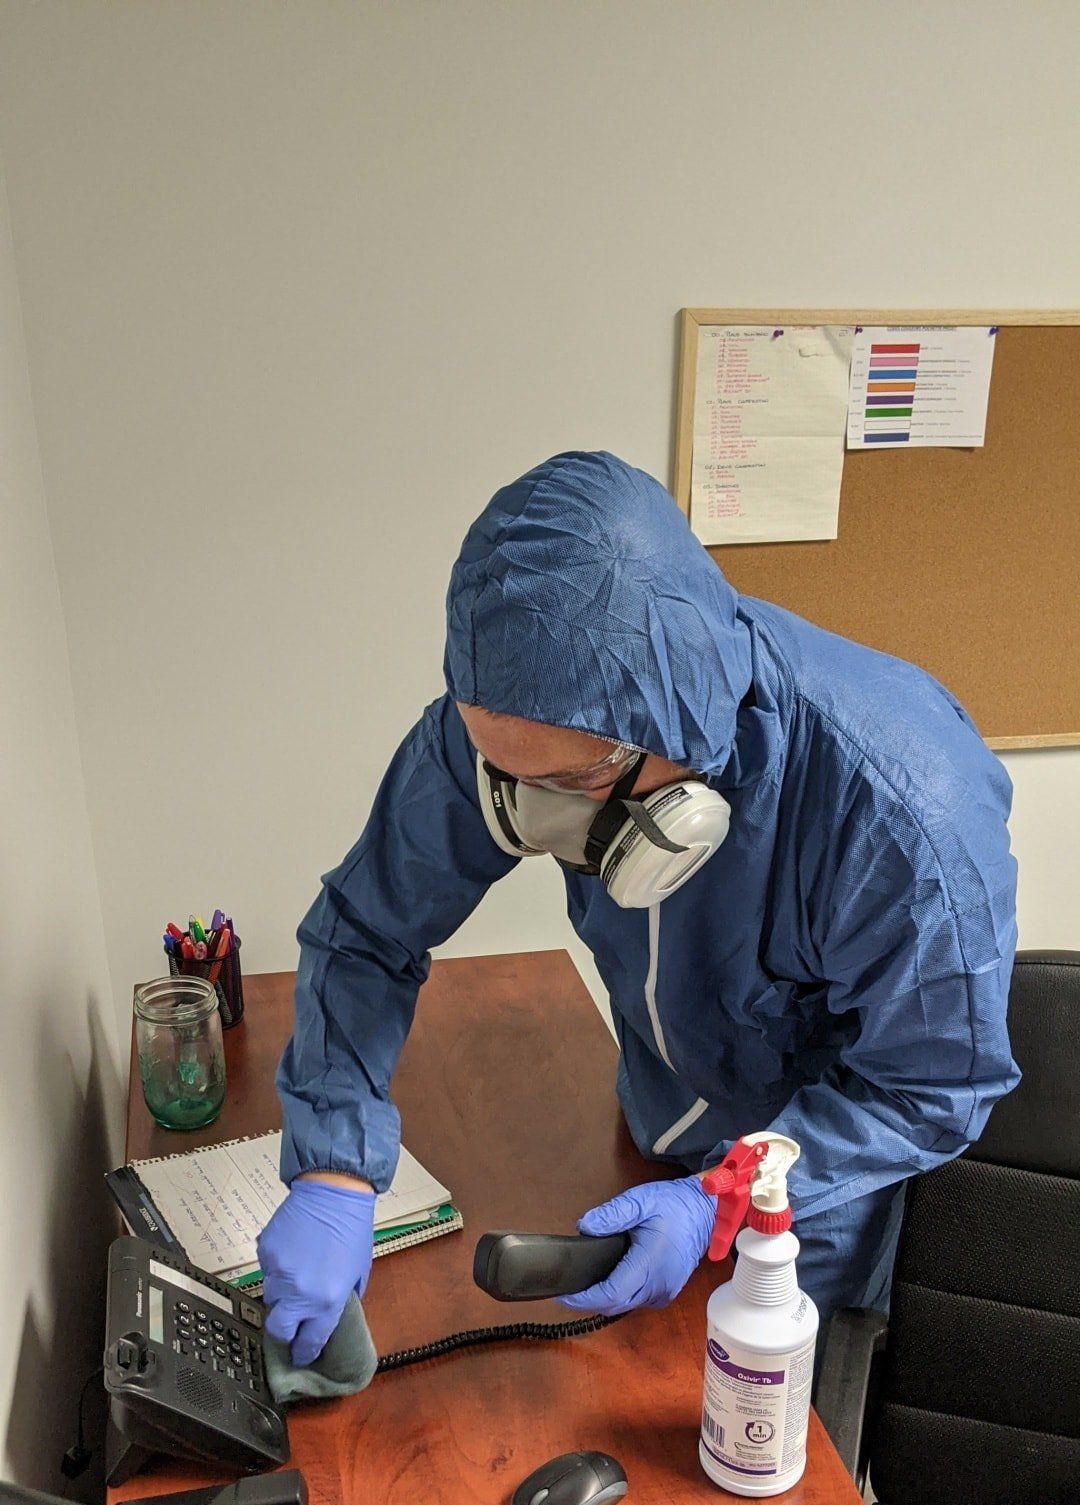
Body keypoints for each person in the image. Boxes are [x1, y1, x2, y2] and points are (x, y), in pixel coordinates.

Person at [257, 451, 1019, 1367]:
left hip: (808, 1195)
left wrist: (722, 1199)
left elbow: (928, 1089)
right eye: (506, 776)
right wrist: (334, 1163)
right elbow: (368, 929)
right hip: (649, 1131)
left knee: (751, 1456)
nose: (531, 813)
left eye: (569, 783)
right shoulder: (523, 720)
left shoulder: (903, 820)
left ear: (675, 725)